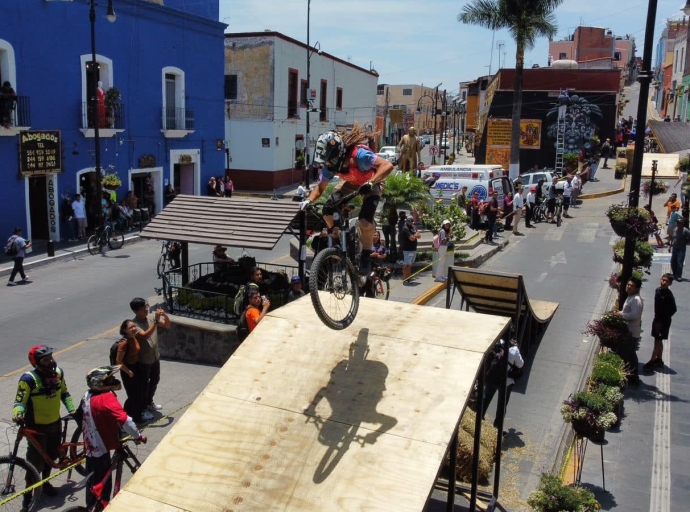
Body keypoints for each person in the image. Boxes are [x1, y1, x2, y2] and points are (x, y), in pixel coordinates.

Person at [302, 123, 394, 276]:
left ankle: (365, 254)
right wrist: (308, 201)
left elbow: (387, 166)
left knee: (365, 221)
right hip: (350, 183)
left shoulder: (360, 156)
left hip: (371, 182)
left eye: (330, 161)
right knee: (327, 211)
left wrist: (371, 182)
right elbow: (319, 188)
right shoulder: (330, 166)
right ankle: (338, 239)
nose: (328, 166)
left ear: (339, 154)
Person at [12, 345, 76, 507]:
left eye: (51, 357)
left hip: (55, 424)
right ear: (37, 363)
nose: (51, 361)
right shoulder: (28, 380)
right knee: (34, 463)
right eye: (46, 359)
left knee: (52, 457)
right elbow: (20, 402)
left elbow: (64, 393)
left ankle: (45, 484)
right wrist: (17, 413)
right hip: (36, 429)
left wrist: (72, 410)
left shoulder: (59, 374)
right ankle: (28, 496)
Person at [80, 366, 147, 509]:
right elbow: (126, 421)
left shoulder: (87, 395)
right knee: (104, 488)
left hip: (90, 447)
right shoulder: (106, 397)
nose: (113, 380)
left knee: (92, 482)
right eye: (109, 379)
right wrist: (138, 436)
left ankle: (90, 506)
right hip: (101, 448)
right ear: (99, 383)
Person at [130, 298, 170, 418]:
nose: (146, 310)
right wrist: (156, 322)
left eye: (146, 307)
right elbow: (145, 335)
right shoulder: (134, 324)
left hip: (154, 356)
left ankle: (149, 402)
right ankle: (142, 409)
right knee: (143, 385)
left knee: (155, 380)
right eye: (143, 309)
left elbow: (167, 325)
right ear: (136, 311)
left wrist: (164, 315)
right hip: (144, 360)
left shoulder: (151, 317)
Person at [482, 339, 524, 432]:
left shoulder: (497, 343)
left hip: (491, 377)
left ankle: (479, 418)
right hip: (505, 382)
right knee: (501, 405)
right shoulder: (513, 350)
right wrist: (516, 348)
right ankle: (497, 428)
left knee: (485, 400)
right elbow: (520, 364)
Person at [114, 319, 151, 424]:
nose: (134, 328)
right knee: (133, 396)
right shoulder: (124, 343)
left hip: (136, 368)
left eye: (134, 326)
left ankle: (133, 416)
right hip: (128, 371)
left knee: (140, 393)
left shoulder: (133, 338)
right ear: (124, 330)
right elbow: (118, 362)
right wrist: (129, 372)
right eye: (131, 327)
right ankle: (127, 417)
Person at [643, 274, 677, 373]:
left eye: (666, 281)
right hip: (657, 319)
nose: (664, 282)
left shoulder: (669, 295)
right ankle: (659, 359)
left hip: (663, 321)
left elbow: (674, 309)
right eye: (663, 280)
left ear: (670, 283)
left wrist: (665, 317)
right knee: (658, 340)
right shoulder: (658, 290)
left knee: (658, 341)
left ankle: (652, 360)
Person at [613, 277, 644, 385]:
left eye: (632, 286)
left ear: (637, 288)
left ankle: (631, 377)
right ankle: (633, 377)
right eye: (628, 285)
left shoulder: (636, 300)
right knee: (631, 354)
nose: (629, 287)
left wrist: (621, 314)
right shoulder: (631, 297)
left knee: (626, 355)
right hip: (629, 331)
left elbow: (634, 315)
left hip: (631, 332)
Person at [401, 216, 421, 284]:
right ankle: (404, 278)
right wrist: (415, 236)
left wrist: (414, 236)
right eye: (410, 221)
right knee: (406, 264)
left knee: (410, 264)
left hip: (413, 248)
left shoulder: (413, 227)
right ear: (407, 221)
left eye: (412, 221)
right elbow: (411, 238)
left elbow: (419, 236)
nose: (411, 223)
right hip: (407, 249)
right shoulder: (405, 228)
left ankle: (409, 277)